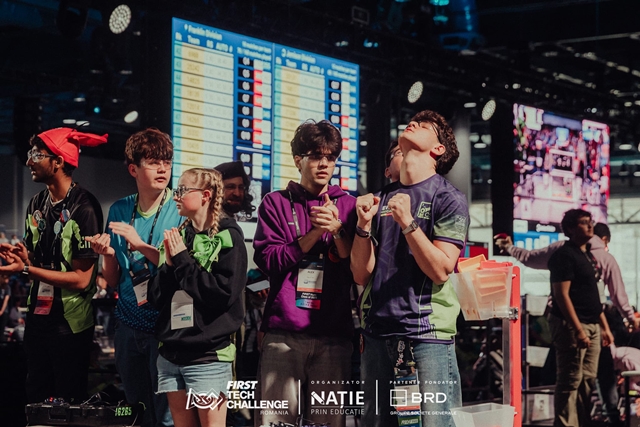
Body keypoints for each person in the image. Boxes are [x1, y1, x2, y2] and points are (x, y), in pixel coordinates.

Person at [351, 110, 470, 427]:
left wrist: (408, 223)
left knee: (435, 423)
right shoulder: (378, 199)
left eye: (425, 125)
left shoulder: (449, 198)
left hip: (427, 335)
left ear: (438, 149)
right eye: (413, 121)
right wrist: (362, 227)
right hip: (377, 331)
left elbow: (441, 269)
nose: (413, 123)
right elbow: (361, 275)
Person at [252, 119, 357, 427]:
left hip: (335, 334)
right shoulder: (275, 203)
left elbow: (357, 268)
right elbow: (268, 260)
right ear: (298, 160)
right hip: (284, 333)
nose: (324, 164)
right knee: (274, 421)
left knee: (328, 423)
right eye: (316, 156)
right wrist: (313, 233)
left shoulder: (349, 205)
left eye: (331, 157)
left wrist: (337, 230)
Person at [0, 127, 106, 403]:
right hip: (38, 319)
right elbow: (34, 260)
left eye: (37, 155)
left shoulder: (85, 207)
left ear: (58, 161)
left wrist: (26, 269)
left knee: (68, 403)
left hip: (70, 325)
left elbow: (82, 279)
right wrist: (20, 257)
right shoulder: (37, 203)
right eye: (30, 154)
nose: (29, 161)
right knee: (35, 399)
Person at [86, 128, 180, 427]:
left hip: (166, 326)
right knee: (136, 412)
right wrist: (107, 254)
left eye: (167, 162)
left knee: (167, 416)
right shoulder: (120, 208)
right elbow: (113, 280)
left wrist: (139, 244)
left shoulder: (180, 208)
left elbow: (182, 269)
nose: (162, 169)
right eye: (153, 162)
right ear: (133, 169)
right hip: (128, 324)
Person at [148, 168, 248, 427]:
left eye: (182, 190)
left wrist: (182, 260)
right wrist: (169, 267)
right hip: (171, 354)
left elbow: (221, 296)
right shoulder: (179, 236)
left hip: (207, 357)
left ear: (205, 196)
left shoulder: (228, 236)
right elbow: (156, 298)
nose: (176, 196)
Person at [495, 223, 640, 330]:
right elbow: (618, 294)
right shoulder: (606, 258)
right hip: (591, 318)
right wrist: (630, 318)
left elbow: (530, 258)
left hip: (559, 315)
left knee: (563, 359)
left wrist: (509, 247)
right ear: (604, 239)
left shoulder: (560, 249)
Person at [547, 209, 614, 427]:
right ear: (570, 229)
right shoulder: (564, 256)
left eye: (590, 221)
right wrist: (578, 329)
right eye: (584, 222)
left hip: (591, 323)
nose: (590, 225)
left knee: (587, 379)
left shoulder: (587, 255)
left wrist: (604, 327)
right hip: (573, 325)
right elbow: (561, 295)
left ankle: (582, 421)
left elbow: (592, 296)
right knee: (570, 379)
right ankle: (566, 424)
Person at [0, 273, 10, 341]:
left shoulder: (8, 288)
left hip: (4, 312)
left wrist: (1, 311)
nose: (7, 280)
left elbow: (6, 300)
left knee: (1, 330)